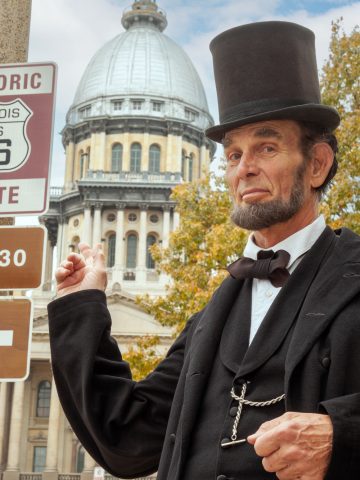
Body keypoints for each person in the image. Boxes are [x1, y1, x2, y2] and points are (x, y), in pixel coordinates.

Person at [48, 21, 360, 480]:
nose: (244, 169)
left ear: (316, 164)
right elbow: (126, 440)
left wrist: (343, 435)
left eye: (266, 147)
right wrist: (81, 307)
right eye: (233, 155)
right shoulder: (214, 314)